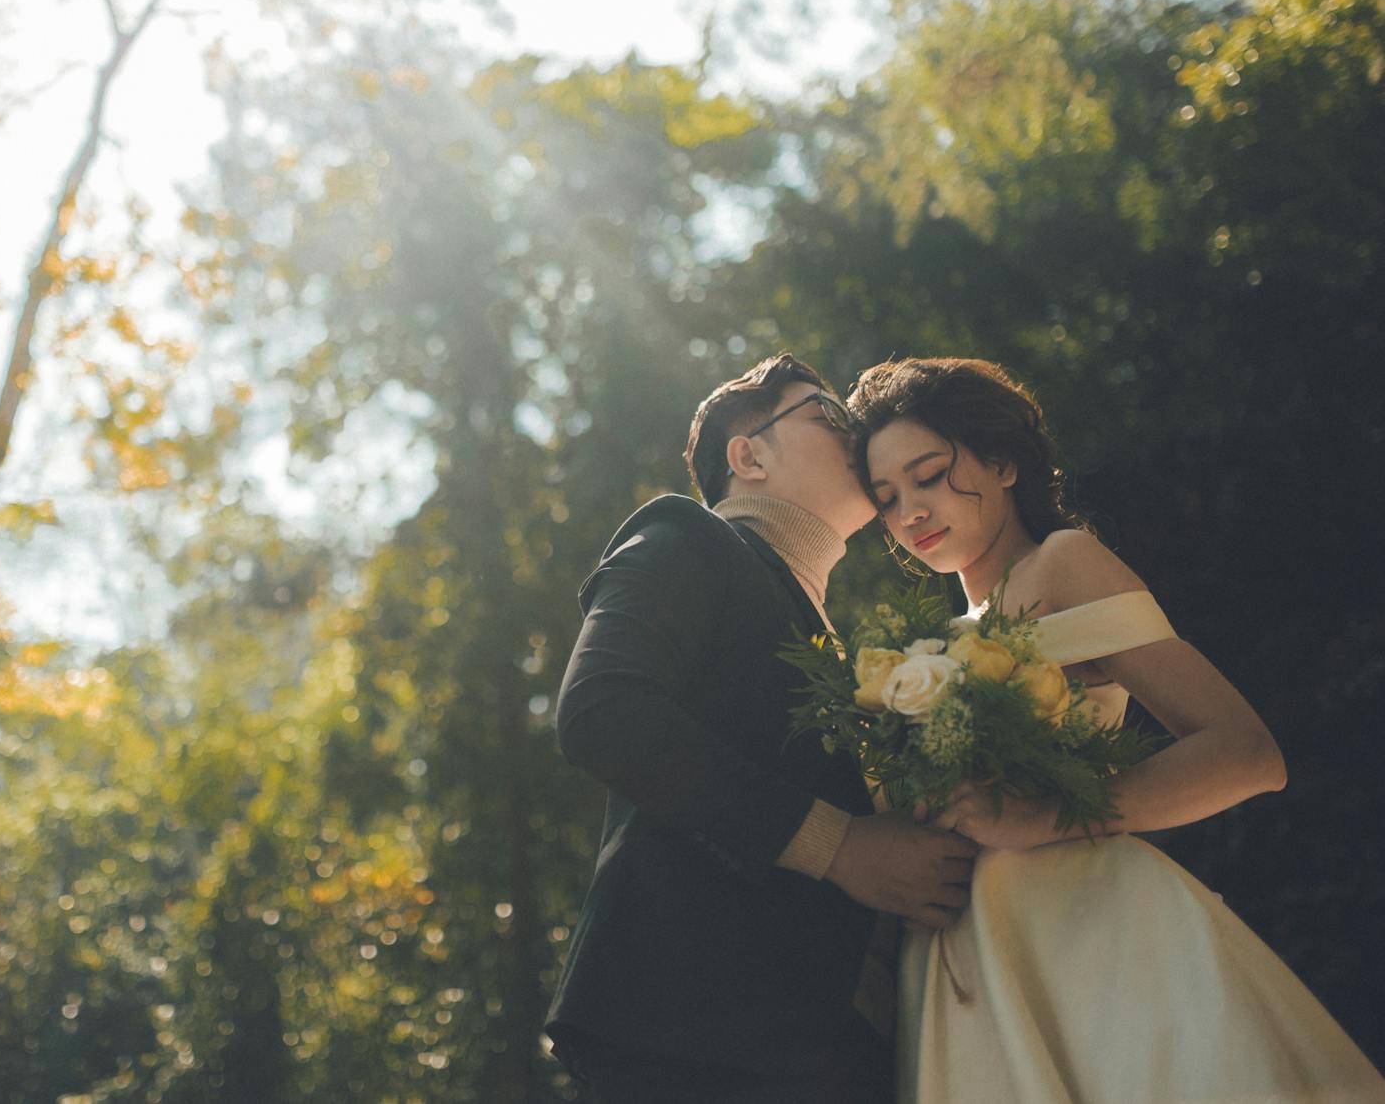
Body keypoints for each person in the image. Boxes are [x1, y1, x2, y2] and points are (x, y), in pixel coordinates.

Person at [846, 355, 1385, 1103]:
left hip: (1093, 939)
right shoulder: (934, 644)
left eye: (930, 473)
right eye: (886, 496)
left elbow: (1248, 752)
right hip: (970, 967)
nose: (910, 511)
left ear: (1002, 461)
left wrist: (1046, 816)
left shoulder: (1063, 563)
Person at [545, 354, 981, 1104]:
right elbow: (602, 708)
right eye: (829, 416)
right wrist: (839, 845)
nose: (860, 432)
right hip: (695, 1045)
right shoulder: (686, 535)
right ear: (747, 455)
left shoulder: (833, 645)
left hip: (829, 1056)